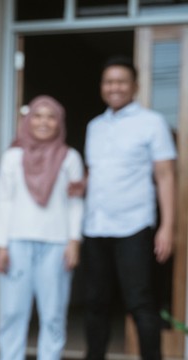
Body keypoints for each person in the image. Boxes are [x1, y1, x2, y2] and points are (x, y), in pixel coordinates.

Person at [0, 95, 84, 360]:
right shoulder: (13, 157)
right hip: (16, 243)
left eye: (51, 116)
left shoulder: (70, 158)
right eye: (37, 115)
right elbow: (4, 202)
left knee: (53, 314)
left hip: (57, 245)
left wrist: (74, 241)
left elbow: (75, 204)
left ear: (59, 122)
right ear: (27, 120)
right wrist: (1, 244)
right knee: (12, 312)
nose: (44, 122)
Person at [82, 56, 177, 360]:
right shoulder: (94, 126)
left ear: (134, 86)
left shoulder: (152, 123)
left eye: (121, 81)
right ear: (101, 87)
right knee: (95, 304)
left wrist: (167, 227)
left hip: (134, 226)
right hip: (95, 226)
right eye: (109, 81)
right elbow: (96, 173)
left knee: (140, 303)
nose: (115, 87)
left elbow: (165, 176)